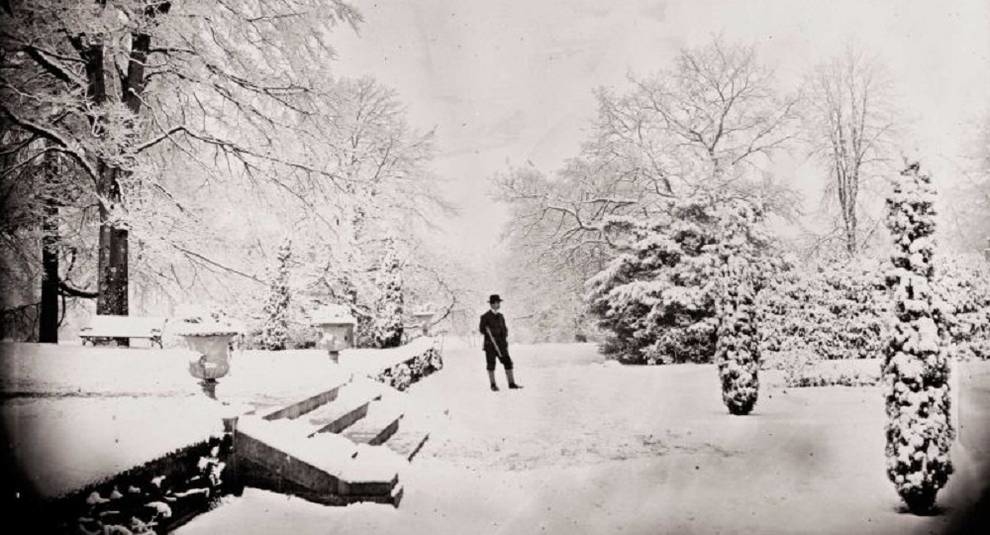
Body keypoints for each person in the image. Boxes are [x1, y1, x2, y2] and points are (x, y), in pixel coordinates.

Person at [478, 294, 522, 391]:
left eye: (499, 303)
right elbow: (481, 330)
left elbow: (504, 329)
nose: (499, 305)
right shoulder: (485, 317)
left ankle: (511, 383)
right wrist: (488, 332)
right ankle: (493, 385)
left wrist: (504, 337)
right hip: (490, 345)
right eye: (497, 303)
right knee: (491, 364)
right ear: (492, 304)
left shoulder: (501, 316)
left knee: (508, 362)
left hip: (501, 345)